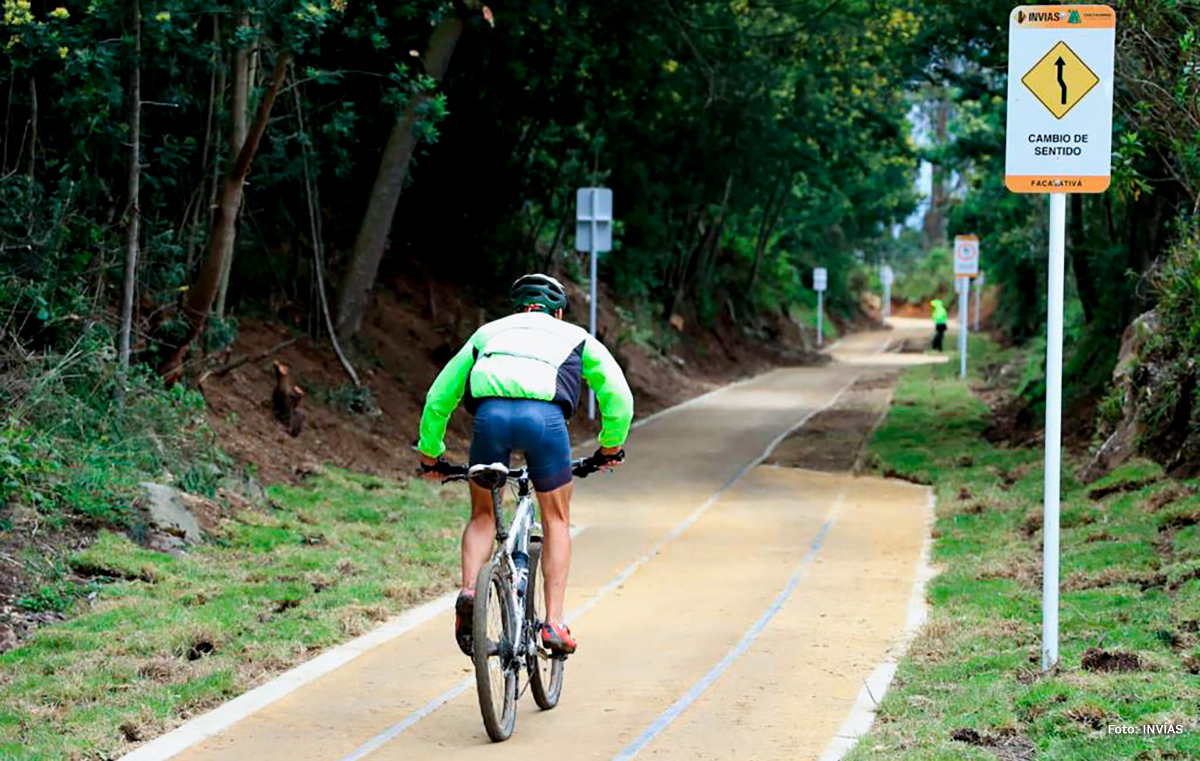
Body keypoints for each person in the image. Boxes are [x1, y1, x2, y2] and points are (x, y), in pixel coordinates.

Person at [415, 273, 634, 656]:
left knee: (483, 515)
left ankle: (470, 592)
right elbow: (617, 395)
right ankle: (553, 623)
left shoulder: (488, 333)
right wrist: (609, 447)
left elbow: (438, 397)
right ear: (559, 311)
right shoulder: (578, 338)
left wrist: (430, 454)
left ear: (516, 308)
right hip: (545, 423)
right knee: (556, 519)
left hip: (490, 418)